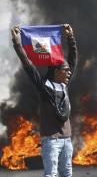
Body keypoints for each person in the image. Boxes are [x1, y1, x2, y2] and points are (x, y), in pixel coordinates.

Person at [11, 24, 78, 177]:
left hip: (66, 140)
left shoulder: (64, 85)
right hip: (51, 141)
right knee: (51, 174)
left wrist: (70, 38)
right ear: (56, 71)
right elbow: (28, 66)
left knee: (67, 173)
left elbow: (73, 61)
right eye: (65, 70)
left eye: (69, 70)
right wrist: (17, 43)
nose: (69, 72)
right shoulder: (45, 87)